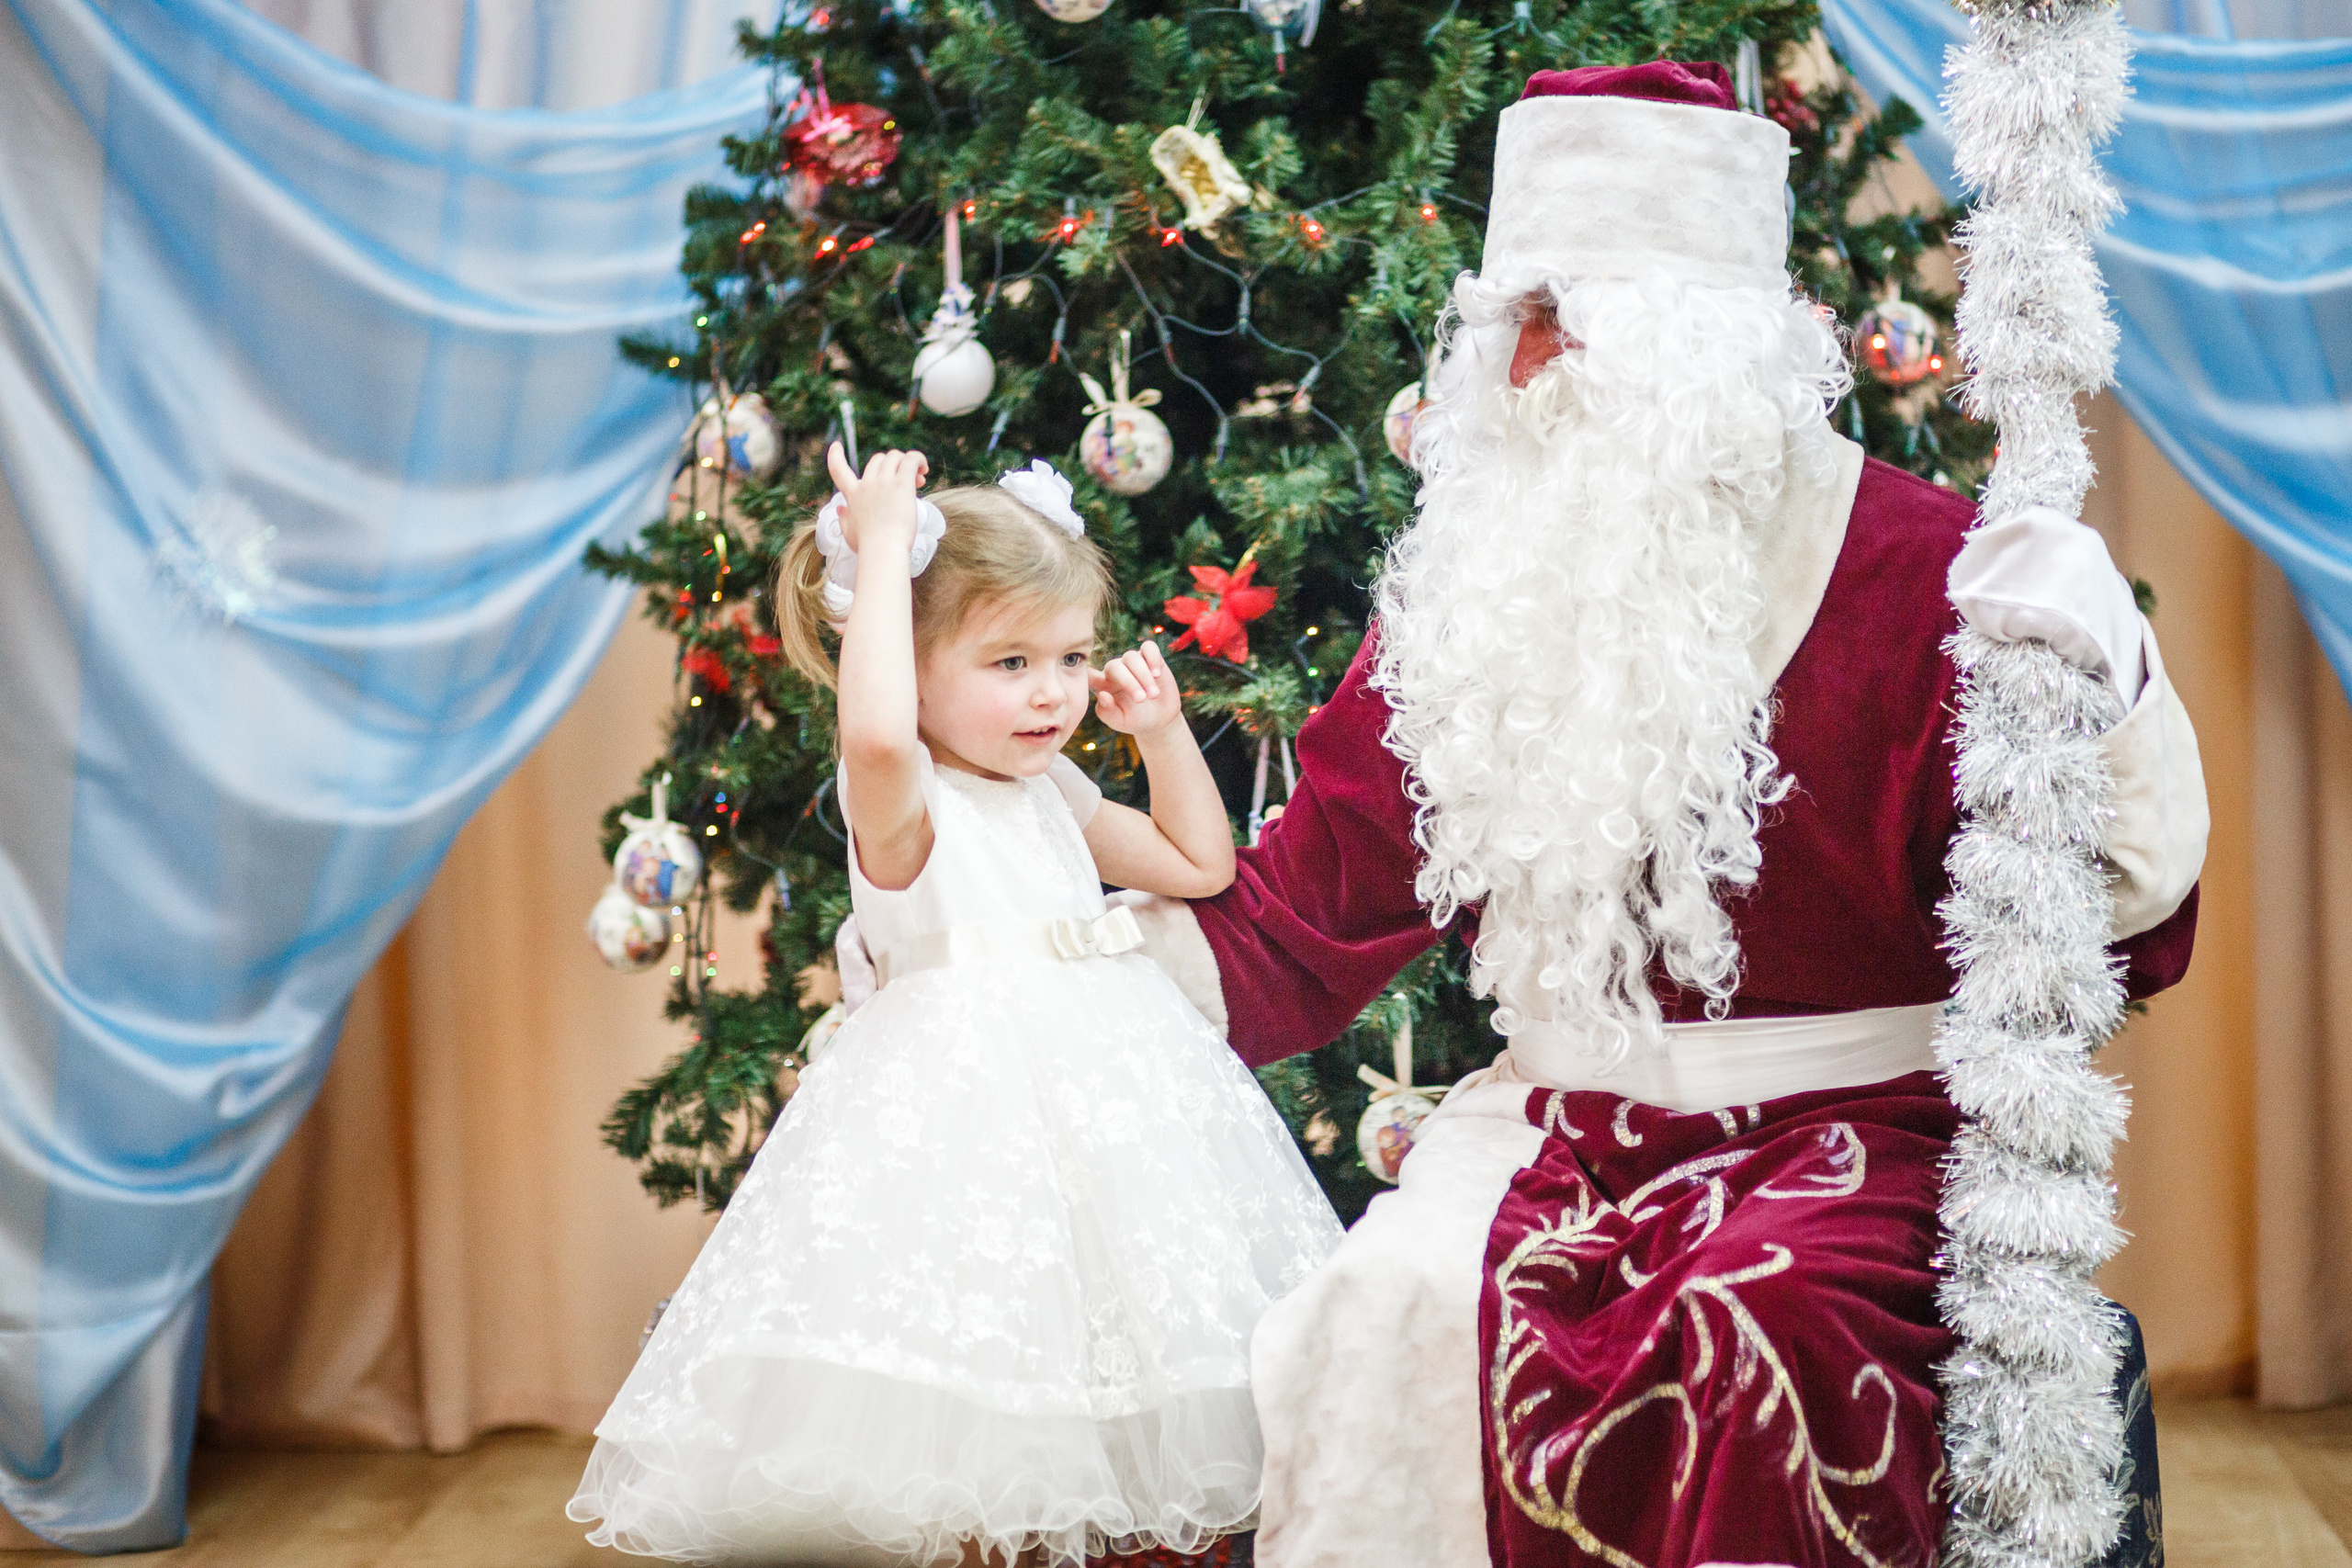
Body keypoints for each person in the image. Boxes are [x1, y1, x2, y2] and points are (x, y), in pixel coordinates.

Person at [1111, 61, 2211, 1568]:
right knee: (1389, 1307)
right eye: (1517, 320)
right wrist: (1036, 949)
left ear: (1708, 342)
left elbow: (2121, 946)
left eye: (1581, 319)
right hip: (1553, 1123)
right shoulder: (1473, 587)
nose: (1534, 361)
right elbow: (1298, 927)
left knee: (1757, 1323)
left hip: (1855, 1132)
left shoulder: (1939, 575)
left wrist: (2117, 690)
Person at [568, 446, 1341, 1567]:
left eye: (1070, 656)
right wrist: (883, 553)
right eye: (1011, 660)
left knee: (1115, 1397)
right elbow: (875, 730)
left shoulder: (1049, 789)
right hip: (958, 1136)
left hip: (1116, 1113)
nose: (1052, 690)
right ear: (910, 665)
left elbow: (1197, 863)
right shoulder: (899, 801)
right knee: (976, 1425)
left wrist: (1161, 731)